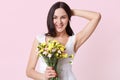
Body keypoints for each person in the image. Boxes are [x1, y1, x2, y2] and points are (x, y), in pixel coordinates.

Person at [26, 1, 101, 80]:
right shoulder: (40, 39)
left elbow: (96, 16)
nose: (59, 22)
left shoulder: (74, 41)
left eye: (63, 17)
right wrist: (44, 77)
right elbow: (29, 71)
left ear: (68, 18)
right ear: (50, 19)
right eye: (55, 17)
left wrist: (71, 11)